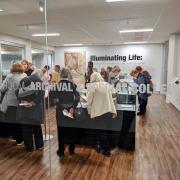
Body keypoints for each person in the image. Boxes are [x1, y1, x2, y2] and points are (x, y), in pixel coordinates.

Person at [87, 72, 117, 156]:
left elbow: (89, 101)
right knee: (105, 130)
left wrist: (89, 112)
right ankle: (104, 146)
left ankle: (106, 150)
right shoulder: (107, 85)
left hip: (98, 111)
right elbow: (113, 95)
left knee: (101, 131)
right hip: (108, 110)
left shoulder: (93, 86)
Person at [16, 70, 45, 152]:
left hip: (23, 107)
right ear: (40, 76)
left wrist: (22, 101)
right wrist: (32, 103)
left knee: (26, 128)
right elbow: (41, 94)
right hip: (34, 108)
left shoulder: (23, 80)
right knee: (37, 127)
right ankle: (39, 145)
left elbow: (17, 92)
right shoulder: (39, 81)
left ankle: (29, 147)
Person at [54, 68, 80, 157]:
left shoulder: (57, 85)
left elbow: (55, 100)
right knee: (71, 130)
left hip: (60, 111)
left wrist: (62, 108)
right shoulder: (72, 84)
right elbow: (77, 97)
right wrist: (73, 107)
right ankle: (71, 150)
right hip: (70, 110)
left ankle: (61, 151)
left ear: (60, 74)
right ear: (68, 74)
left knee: (61, 130)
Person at [0, 63, 26, 144]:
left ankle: (17, 138)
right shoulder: (24, 75)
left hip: (11, 102)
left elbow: (2, 88)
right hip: (21, 101)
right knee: (20, 120)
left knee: (12, 120)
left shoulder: (9, 77)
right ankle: (22, 138)